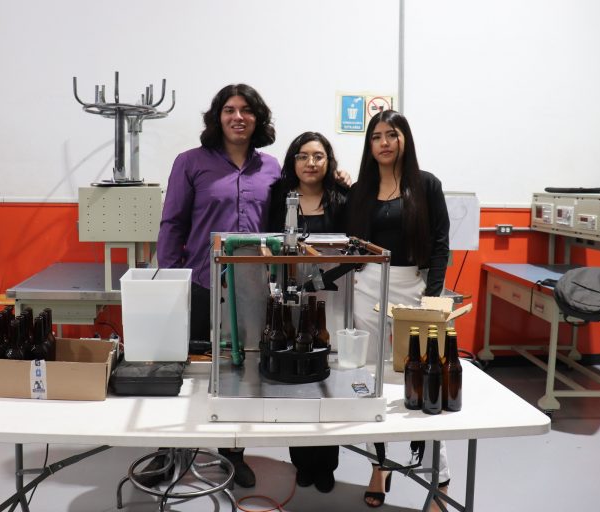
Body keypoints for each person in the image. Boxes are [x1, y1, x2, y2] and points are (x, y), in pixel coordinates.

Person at [155, 83, 280, 488]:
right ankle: (170, 448)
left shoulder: (272, 168)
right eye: (229, 109)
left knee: (241, 369)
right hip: (199, 281)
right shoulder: (191, 162)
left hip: (251, 288)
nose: (238, 117)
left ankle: (233, 451)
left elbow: (287, 217)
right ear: (217, 117)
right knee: (184, 367)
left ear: (257, 118)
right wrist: (171, 278)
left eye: (246, 110)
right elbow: (172, 223)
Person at [345, 110, 450, 508]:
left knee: (423, 380)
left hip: (413, 288)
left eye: (392, 134)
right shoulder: (360, 190)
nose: (384, 143)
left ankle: (440, 477)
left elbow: (440, 245)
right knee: (370, 382)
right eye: (376, 136)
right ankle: (379, 465)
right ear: (369, 145)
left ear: (405, 138)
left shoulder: (426, 185)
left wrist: (433, 300)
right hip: (367, 287)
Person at [267, 131, 347, 493]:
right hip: (288, 296)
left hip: (331, 298)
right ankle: (301, 460)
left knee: (327, 377)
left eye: (318, 156)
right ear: (292, 162)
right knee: (294, 376)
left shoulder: (341, 197)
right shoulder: (278, 196)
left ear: (329, 161)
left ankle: (327, 463)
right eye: (302, 156)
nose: (310, 163)